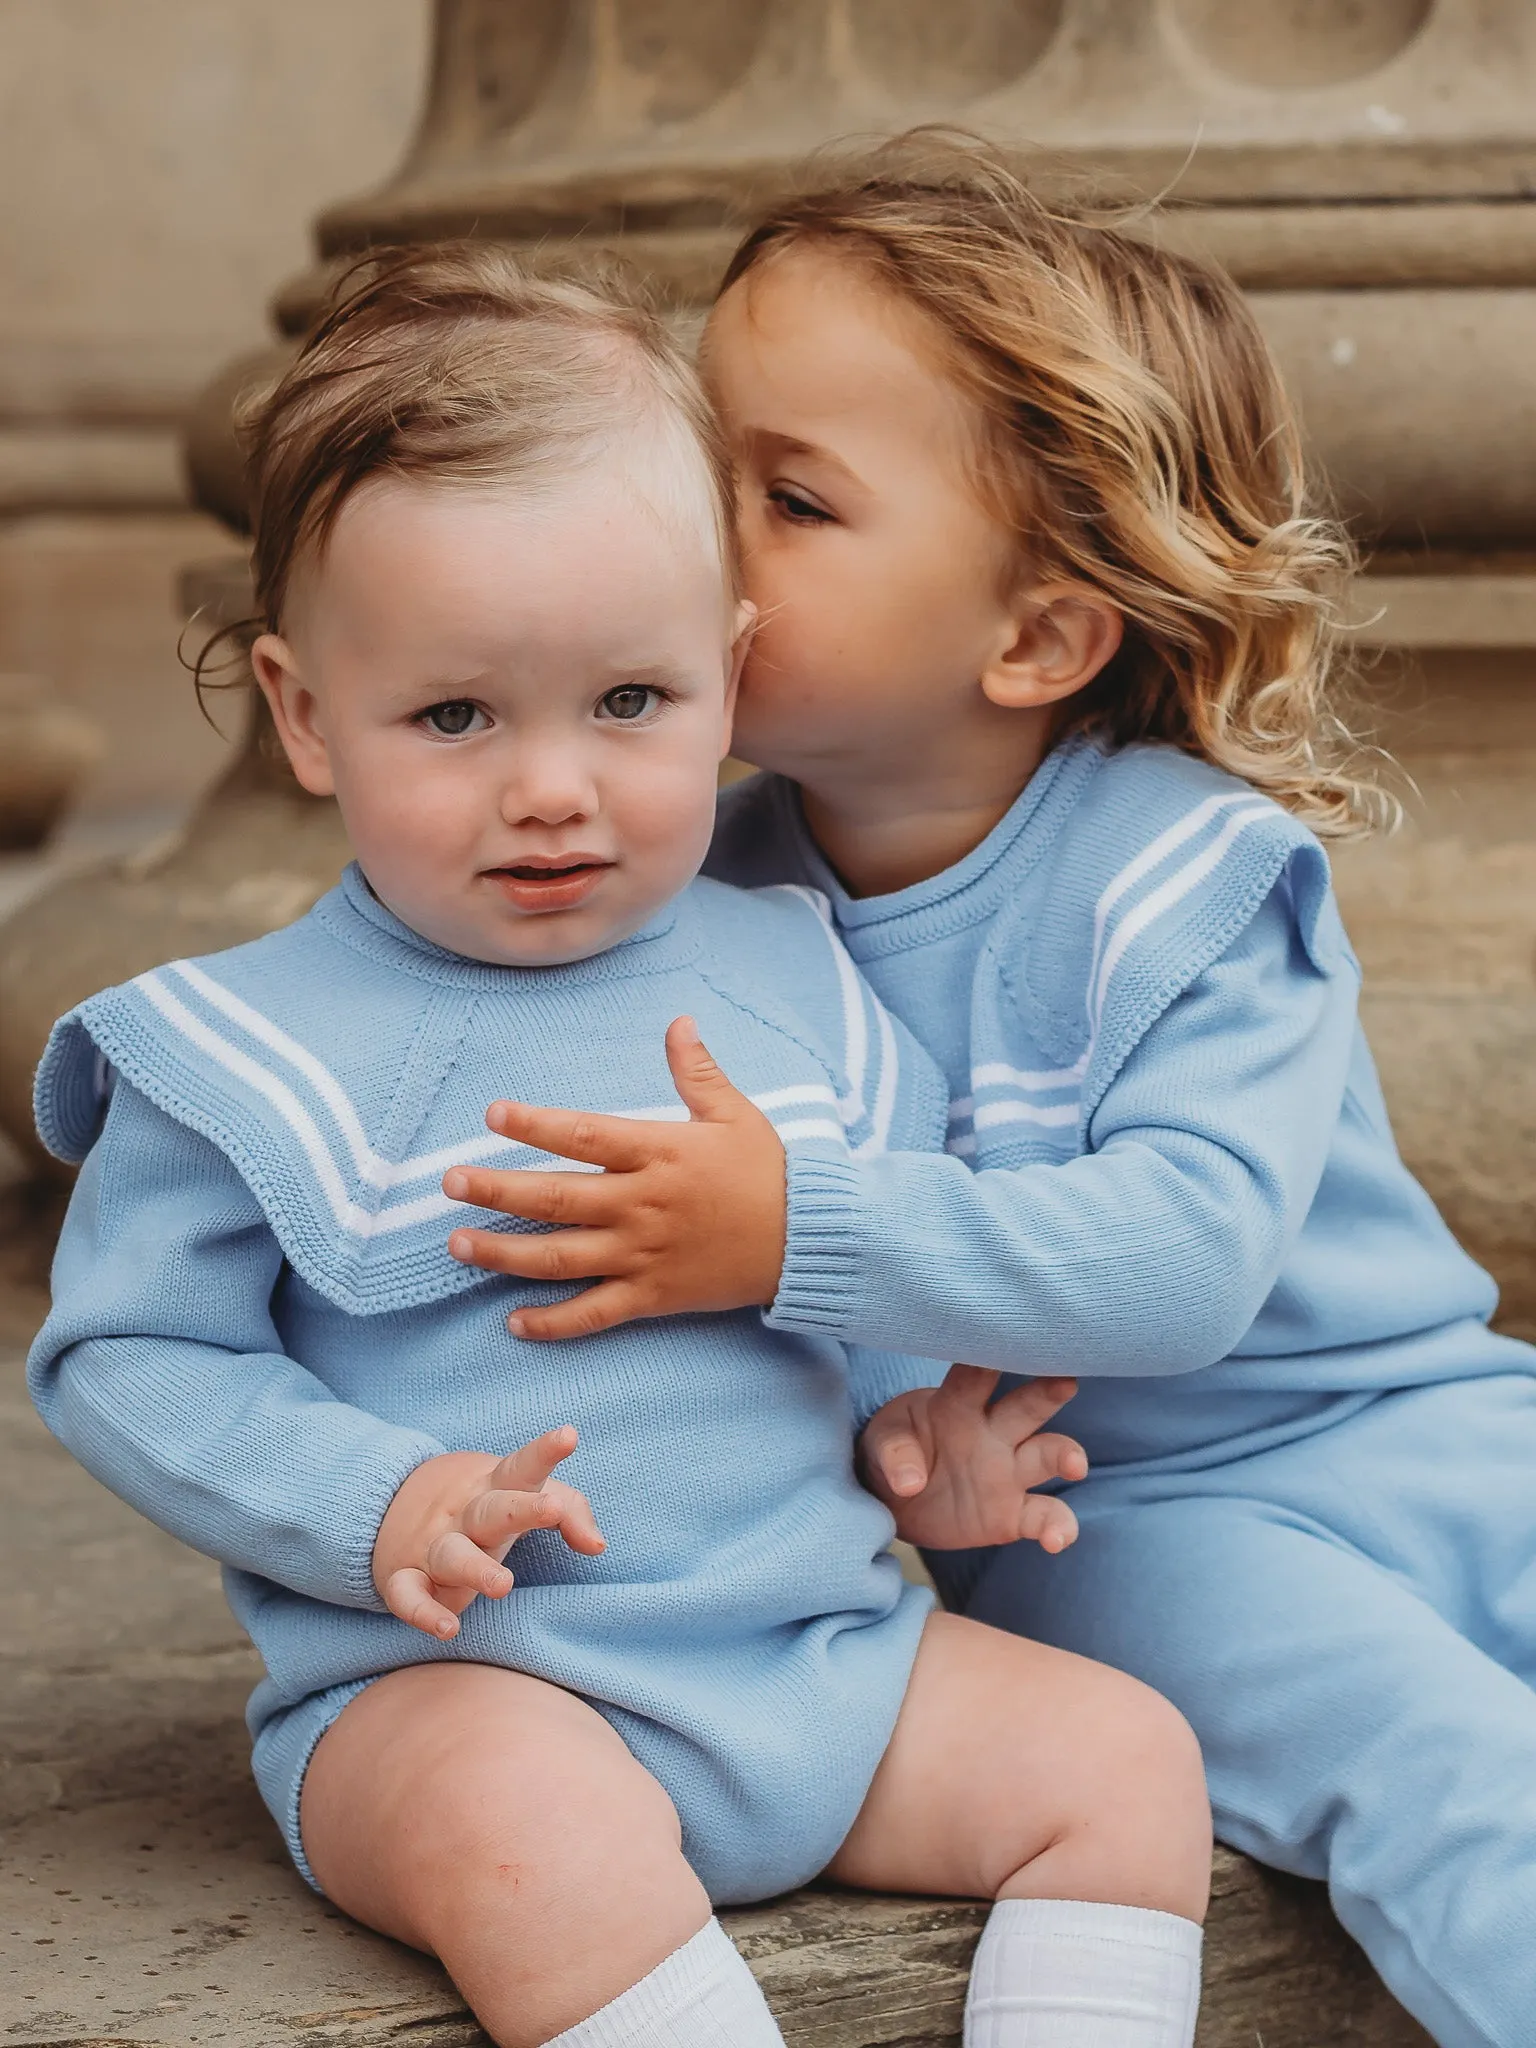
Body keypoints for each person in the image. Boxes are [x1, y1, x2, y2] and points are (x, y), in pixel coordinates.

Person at [27, 243, 1211, 2048]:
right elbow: (131, 1354)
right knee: (532, 1843)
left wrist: (922, 1441)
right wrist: (376, 1503)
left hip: (817, 1660)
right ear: (302, 716)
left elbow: (864, 1260)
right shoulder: (247, 1047)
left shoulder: (793, 967)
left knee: (1123, 1759)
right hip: (463, 1695)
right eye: (452, 715)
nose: (551, 784)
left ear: (728, 678)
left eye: (629, 702)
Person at [441, 138, 1536, 2048]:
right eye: (699, 468)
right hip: (1111, 1520)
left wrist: (800, 1229)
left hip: (1433, 1421)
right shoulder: (681, 900)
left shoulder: (1185, 871)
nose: (696, 536)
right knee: (1451, 1782)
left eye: (783, 497)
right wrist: (889, 1463)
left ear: (1033, 637)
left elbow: (1185, 1258)